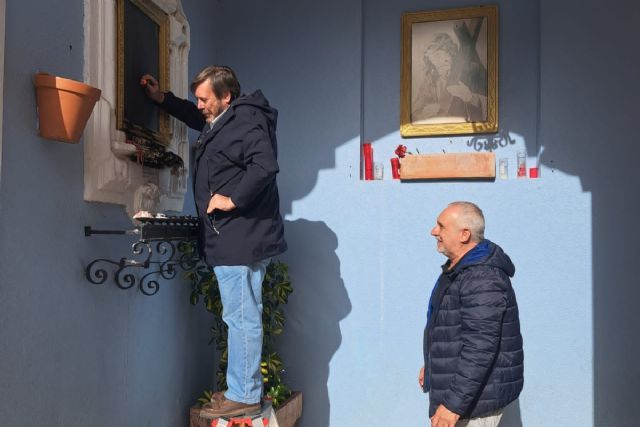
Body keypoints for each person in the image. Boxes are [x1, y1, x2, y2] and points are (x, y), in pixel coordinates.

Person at [141, 66, 287, 418]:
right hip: (236, 237)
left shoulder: (245, 121)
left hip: (240, 236)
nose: (201, 105)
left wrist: (231, 199)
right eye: (199, 99)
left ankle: (245, 394)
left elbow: (264, 167)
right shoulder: (225, 119)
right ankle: (241, 388)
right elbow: (196, 116)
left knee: (241, 317)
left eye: (206, 99)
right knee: (240, 315)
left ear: (227, 97)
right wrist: (163, 100)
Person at [419, 202, 523, 427]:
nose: (433, 231)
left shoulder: (482, 278)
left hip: (474, 404)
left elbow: (480, 347)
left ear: (464, 234)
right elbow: (451, 328)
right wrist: (433, 363)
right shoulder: (461, 270)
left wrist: (453, 406)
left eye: (441, 226)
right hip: (468, 395)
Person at [412, 31, 487, 124]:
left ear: (449, 52)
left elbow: (492, 106)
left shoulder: (472, 70)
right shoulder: (430, 79)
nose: (436, 62)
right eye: (431, 58)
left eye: (437, 55)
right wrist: (424, 113)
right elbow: (414, 113)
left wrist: (470, 98)